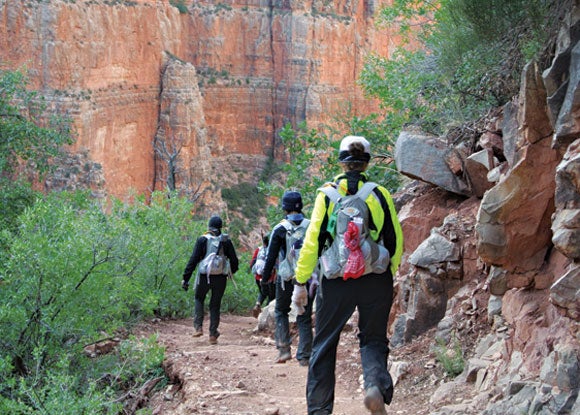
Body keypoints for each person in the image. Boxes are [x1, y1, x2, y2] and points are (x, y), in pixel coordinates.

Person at [292, 136, 403, 415]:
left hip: (335, 281)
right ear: (367, 163)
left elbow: (313, 241)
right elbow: (395, 240)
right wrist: (387, 272)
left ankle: (319, 409)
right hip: (375, 278)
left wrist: (301, 281)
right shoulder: (379, 194)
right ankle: (374, 386)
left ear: (341, 162)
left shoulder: (327, 195)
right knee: (374, 339)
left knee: (324, 344)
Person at [261, 190, 314, 365]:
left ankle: (284, 349)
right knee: (304, 315)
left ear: (284, 207)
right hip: (307, 278)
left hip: (286, 278)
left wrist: (265, 278)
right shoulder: (311, 226)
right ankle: (305, 356)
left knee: (281, 311)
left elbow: (271, 257)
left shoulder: (279, 229)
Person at [181, 215, 239, 345]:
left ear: (209, 226)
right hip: (220, 277)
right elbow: (234, 260)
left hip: (204, 275)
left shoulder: (202, 239)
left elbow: (193, 260)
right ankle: (213, 335)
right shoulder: (226, 241)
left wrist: (186, 278)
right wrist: (230, 273)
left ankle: (198, 327)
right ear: (221, 227)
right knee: (215, 305)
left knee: (199, 298)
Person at [249, 234, 276, 318]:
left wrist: (255, 273)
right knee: (271, 296)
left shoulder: (259, 249)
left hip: (258, 277)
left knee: (263, 292)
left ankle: (258, 304)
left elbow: (252, 263)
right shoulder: (273, 249)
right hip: (270, 277)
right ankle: (265, 313)